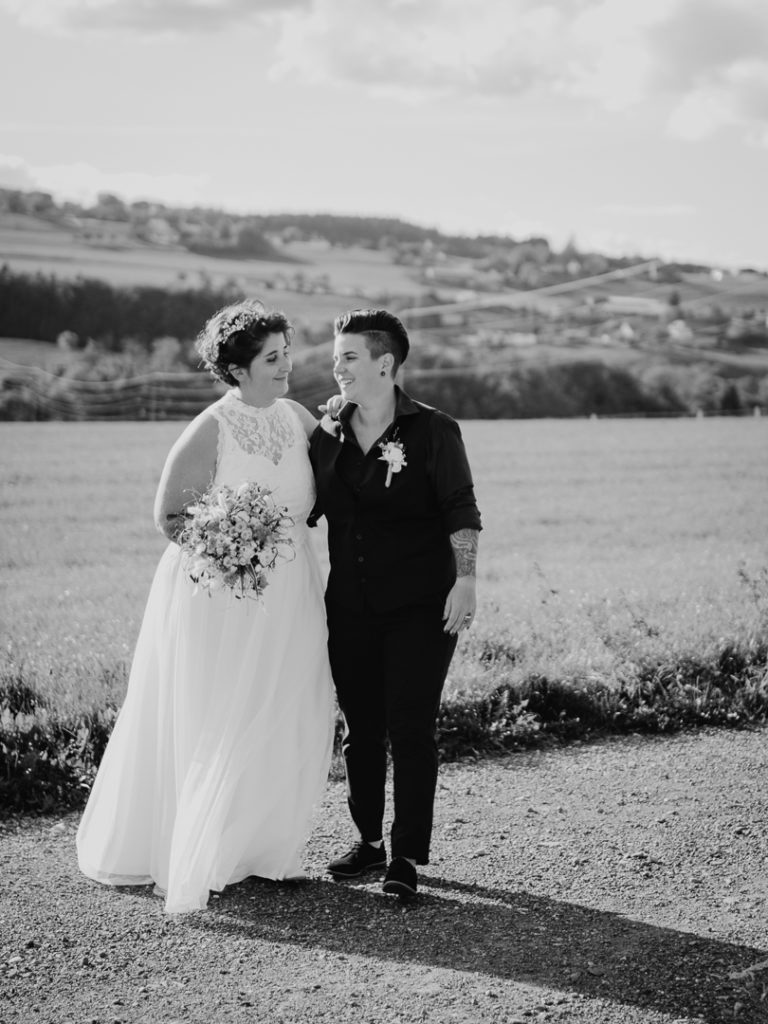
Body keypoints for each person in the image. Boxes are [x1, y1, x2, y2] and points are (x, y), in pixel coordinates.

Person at [77, 300, 335, 914]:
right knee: (222, 710)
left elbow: (338, 486)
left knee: (288, 704)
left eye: (286, 354)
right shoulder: (210, 427)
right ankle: (206, 847)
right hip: (223, 593)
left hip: (294, 587)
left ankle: (263, 848)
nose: (286, 367)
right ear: (239, 368)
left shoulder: (298, 417)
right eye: (273, 358)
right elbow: (169, 516)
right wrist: (231, 546)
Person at [309, 308, 481, 901]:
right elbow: (302, 508)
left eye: (349, 357)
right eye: (336, 359)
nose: (338, 369)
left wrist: (466, 581)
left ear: (386, 363)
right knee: (361, 731)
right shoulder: (326, 434)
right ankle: (368, 844)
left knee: (410, 728)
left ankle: (405, 855)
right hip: (348, 606)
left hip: (421, 607)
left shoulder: (435, 431)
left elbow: (461, 508)